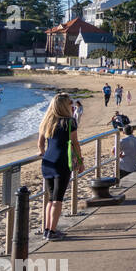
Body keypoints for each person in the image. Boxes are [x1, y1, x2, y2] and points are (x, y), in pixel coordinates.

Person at [38, 93, 81, 240]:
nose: (72, 104)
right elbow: (75, 143)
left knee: (51, 199)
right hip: (62, 162)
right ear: (64, 105)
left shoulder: (47, 121)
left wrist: (43, 153)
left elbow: (40, 144)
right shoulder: (70, 122)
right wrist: (80, 161)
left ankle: (47, 229)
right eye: (70, 102)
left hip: (48, 162)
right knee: (58, 199)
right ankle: (53, 231)